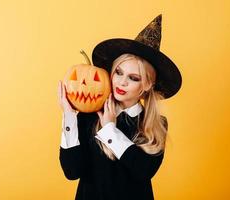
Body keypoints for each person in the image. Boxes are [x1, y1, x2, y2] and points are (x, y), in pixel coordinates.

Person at [57, 14, 182, 200]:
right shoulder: (89, 115)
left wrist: (109, 130)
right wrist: (69, 116)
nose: (121, 82)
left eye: (133, 78)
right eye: (119, 72)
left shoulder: (156, 125)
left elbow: (143, 171)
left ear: (147, 86)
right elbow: (72, 171)